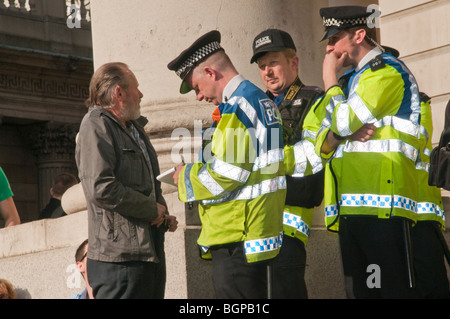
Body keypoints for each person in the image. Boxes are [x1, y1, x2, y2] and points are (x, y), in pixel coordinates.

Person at [315, 5, 439, 298]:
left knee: (387, 291)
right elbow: (322, 141)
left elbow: (343, 124)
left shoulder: (384, 71)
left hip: (384, 209)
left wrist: (329, 79)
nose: (329, 49)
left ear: (359, 35)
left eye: (335, 39)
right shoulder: (355, 80)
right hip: (356, 208)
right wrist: (338, 133)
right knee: (364, 293)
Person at [167, 30, 286, 299]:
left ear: (210, 72)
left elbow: (226, 174)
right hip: (258, 229)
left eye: (196, 87)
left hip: (237, 234)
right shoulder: (261, 100)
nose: (198, 96)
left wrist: (186, 176)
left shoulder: (238, 107)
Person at [75, 62, 178, 299]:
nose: (141, 94)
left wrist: (162, 214)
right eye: (136, 88)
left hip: (147, 252)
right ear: (118, 93)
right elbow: (101, 188)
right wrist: (150, 209)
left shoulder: (134, 128)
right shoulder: (95, 125)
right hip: (119, 260)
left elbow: (147, 184)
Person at [250, 29, 325, 299]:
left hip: (290, 222)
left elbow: (313, 161)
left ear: (293, 63)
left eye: (273, 63)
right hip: (258, 222)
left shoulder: (313, 99)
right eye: (262, 66)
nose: (267, 72)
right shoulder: (256, 107)